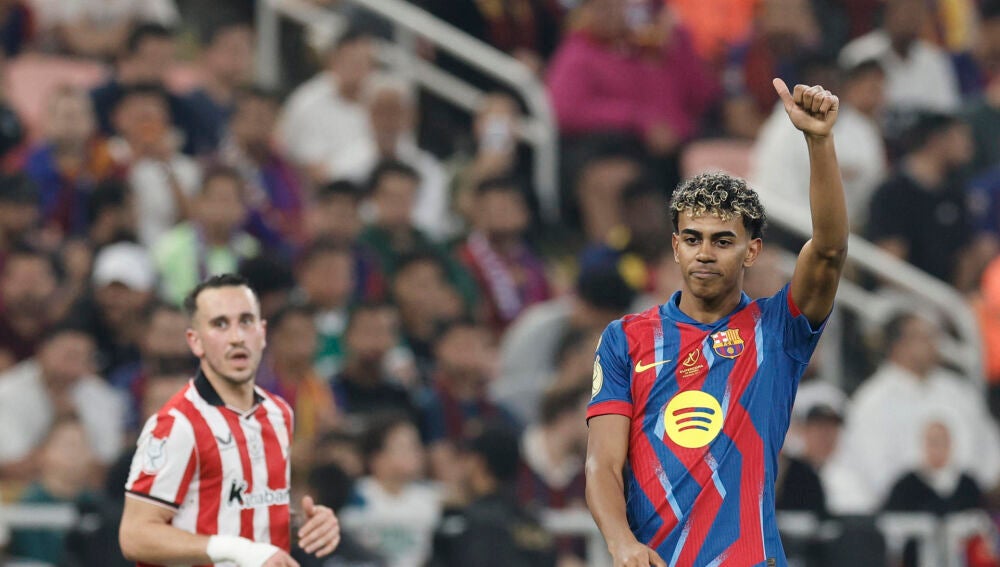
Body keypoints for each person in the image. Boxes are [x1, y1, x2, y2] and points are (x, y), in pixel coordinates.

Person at [586, 79, 847, 566]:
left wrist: (819, 142)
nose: (705, 253)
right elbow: (602, 463)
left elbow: (829, 250)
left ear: (752, 250)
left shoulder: (778, 330)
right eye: (693, 238)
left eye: (723, 241)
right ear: (675, 246)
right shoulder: (625, 339)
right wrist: (621, 542)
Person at [118, 274, 341, 566]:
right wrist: (237, 549)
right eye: (220, 324)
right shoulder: (178, 424)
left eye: (246, 321)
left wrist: (306, 526)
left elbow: (244, 512)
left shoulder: (279, 414)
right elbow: (135, 535)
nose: (237, 337)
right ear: (195, 342)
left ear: (262, 333)